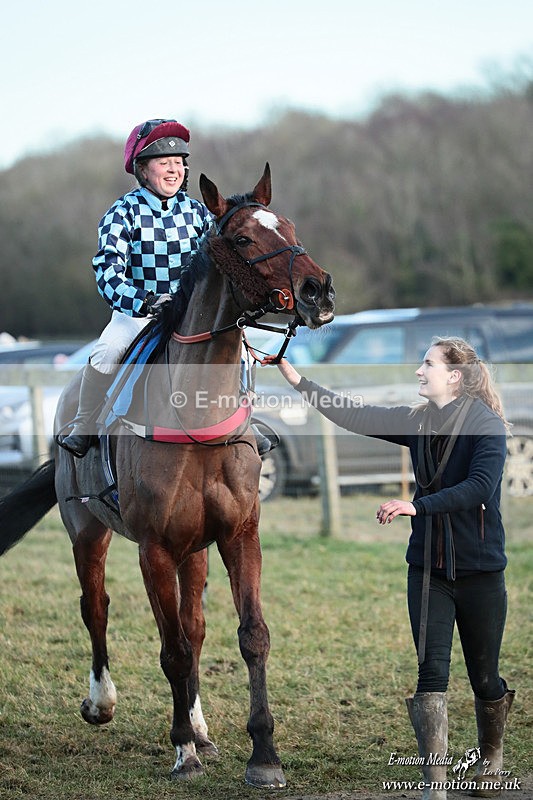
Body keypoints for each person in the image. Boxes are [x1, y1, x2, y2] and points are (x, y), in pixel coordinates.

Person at [274, 337, 514, 799]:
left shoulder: (487, 427)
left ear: (454, 377)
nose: (419, 371)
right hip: (427, 568)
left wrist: (416, 506)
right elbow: (356, 414)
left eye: (428, 364)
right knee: (431, 674)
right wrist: (297, 380)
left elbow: (479, 488)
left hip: (482, 571)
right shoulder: (418, 420)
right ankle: (435, 787)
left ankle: (491, 758)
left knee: (484, 677)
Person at [59, 118, 271, 458]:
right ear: (142, 170)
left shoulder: (200, 213)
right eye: (164, 163)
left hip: (192, 315)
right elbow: (107, 273)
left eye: (178, 163)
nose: (174, 170)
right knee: (106, 352)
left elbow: (223, 266)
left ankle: (248, 421)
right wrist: (144, 301)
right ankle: (84, 424)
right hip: (140, 315)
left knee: (241, 350)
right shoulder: (121, 213)